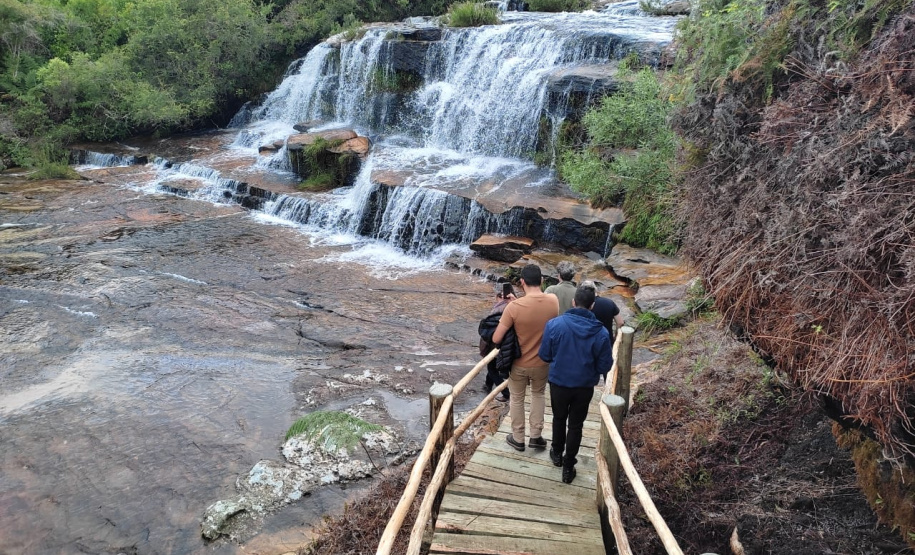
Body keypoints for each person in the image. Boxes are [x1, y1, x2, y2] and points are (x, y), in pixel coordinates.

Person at [538, 281, 613, 484]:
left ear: (573, 302)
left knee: (558, 418)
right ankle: (569, 465)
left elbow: (544, 355)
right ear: (592, 306)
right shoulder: (601, 333)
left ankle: (556, 452)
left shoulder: (554, 325)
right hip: (584, 385)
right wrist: (590, 370)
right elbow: (605, 365)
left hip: (559, 382)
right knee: (576, 425)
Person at [492, 264, 560, 452]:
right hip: (543, 362)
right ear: (542, 281)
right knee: (538, 395)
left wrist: (511, 305)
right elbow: (536, 305)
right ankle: (536, 436)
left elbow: (496, 338)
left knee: (517, 398)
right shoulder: (553, 301)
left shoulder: (513, 307)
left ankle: (518, 437)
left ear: (521, 282)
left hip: (519, 363)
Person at [477, 283, 516, 402]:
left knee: (492, 368)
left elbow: (489, 328)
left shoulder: (498, 308)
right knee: (492, 366)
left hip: (497, 344)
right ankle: (487, 385)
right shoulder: (514, 305)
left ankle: (505, 392)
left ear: (500, 296)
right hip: (509, 344)